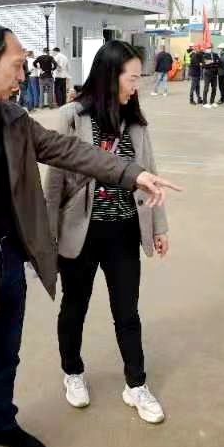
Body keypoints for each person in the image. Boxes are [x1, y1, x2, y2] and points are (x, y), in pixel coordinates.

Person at [0, 23, 181, 447]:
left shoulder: (14, 120)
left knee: (5, 354)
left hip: (9, 259)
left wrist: (132, 173)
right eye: (16, 65)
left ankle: (2, 423)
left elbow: (68, 151)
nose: (23, 75)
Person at [44, 40, 169, 424]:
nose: (136, 85)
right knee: (74, 306)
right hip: (80, 231)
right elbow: (55, 183)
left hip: (124, 231)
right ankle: (73, 372)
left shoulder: (136, 122)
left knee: (127, 311)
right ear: (110, 75)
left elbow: (151, 174)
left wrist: (159, 227)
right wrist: (48, 235)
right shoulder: (71, 117)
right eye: (132, 77)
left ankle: (136, 384)